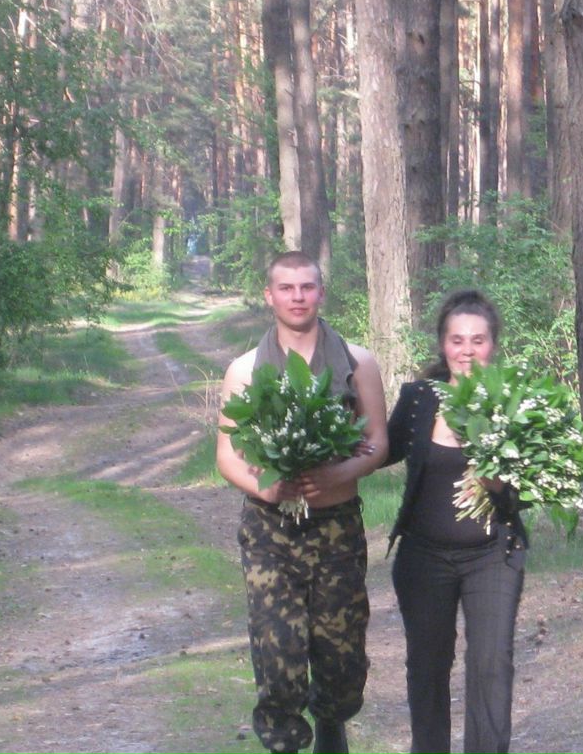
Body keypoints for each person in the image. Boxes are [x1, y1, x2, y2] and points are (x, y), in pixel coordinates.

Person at [217, 251, 389, 754]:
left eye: (307, 287)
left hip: (336, 526)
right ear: (269, 295)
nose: (298, 297)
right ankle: (285, 742)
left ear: (321, 292)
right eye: (287, 288)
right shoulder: (245, 370)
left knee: (341, 652)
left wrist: (337, 472)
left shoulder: (358, 363)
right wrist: (267, 486)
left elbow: (378, 443)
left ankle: (333, 723)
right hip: (270, 530)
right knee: (278, 651)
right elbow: (227, 457)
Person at [383, 289, 528, 754]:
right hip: (423, 558)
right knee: (427, 667)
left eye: (478, 340)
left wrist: (499, 483)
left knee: (492, 664)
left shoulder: (517, 402)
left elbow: (534, 485)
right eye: (457, 340)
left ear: (494, 345)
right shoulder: (419, 398)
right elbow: (377, 451)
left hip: (492, 555)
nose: (467, 350)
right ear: (442, 345)